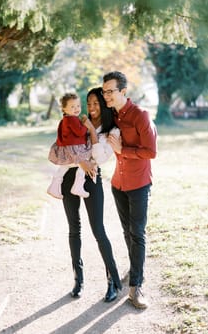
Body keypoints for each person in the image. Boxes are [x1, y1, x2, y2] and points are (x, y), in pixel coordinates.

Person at [61, 87, 122, 302]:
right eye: (89, 103)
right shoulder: (75, 121)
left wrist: (92, 132)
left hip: (93, 178)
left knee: (98, 230)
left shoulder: (111, 130)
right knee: (73, 229)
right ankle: (78, 279)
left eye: (96, 103)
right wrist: (80, 161)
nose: (92, 107)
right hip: (70, 175)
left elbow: (102, 158)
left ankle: (112, 280)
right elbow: (64, 144)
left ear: (103, 105)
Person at [102, 71, 157, 309]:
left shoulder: (141, 116)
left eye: (110, 91)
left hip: (139, 184)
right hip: (118, 184)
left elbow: (150, 152)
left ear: (123, 91)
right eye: (104, 91)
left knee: (137, 233)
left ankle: (136, 287)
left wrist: (123, 149)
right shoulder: (112, 116)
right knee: (127, 232)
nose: (106, 96)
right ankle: (136, 271)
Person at [47, 93, 94, 199]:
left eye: (78, 106)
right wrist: (86, 125)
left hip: (67, 148)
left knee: (64, 166)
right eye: (72, 107)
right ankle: (78, 186)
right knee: (85, 162)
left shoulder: (64, 120)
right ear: (64, 109)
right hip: (75, 148)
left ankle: (54, 186)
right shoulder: (72, 119)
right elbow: (80, 132)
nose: (76, 109)